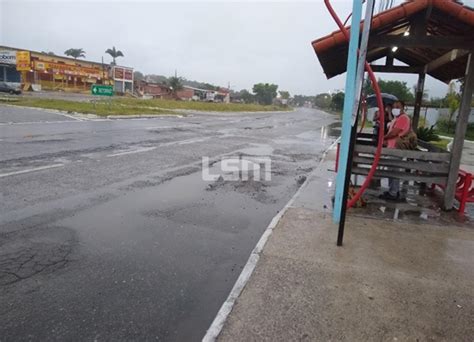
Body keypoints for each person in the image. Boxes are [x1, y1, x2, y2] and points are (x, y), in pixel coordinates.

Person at [379, 100, 412, 200]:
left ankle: (393, 192)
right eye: (394, 107)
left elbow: (394, 133)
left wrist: (384, 138)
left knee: (394, 171)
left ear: (403, 108)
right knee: (392, 170)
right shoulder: (396, 118)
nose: (395, 109)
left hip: (396, 148)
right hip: (392, 147)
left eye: (398, 107)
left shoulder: (403, 118)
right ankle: (392, 191)